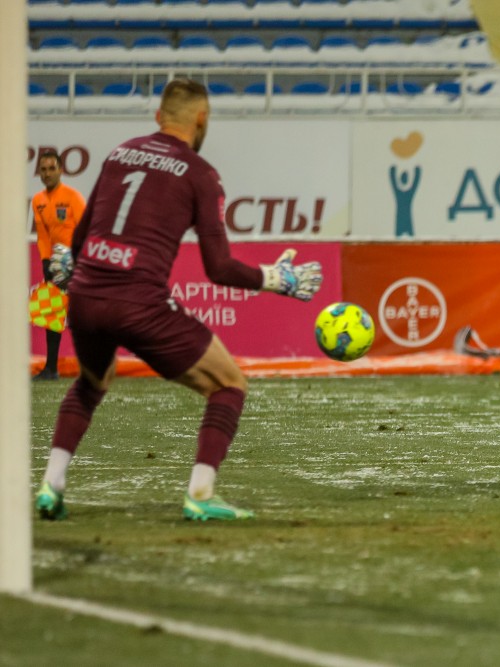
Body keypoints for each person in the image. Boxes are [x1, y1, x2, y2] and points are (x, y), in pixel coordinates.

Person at [34, 79, 323, 522]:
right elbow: (218, 268)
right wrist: (274, 278)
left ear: (158, 116)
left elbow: (79, 238)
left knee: (92, 382)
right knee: (228, 384)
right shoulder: (200, 174)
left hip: (86, 296)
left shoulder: (119, 153)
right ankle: (201, 494)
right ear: (202, 118)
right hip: (138, 302)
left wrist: (77, 269)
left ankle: (51, 485)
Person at [31, 150, 86, 380]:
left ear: (61, 170)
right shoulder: (38, 200)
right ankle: (51, 368)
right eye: (43, 169)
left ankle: (95, 368)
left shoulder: (73, 197)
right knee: (52, 314)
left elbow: (86, 229)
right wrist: (46, 261)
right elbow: (43, 235)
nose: (47, 173)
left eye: (52, 168)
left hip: (79, 263)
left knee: (86, 317)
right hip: (56, 265)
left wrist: (79, 260)